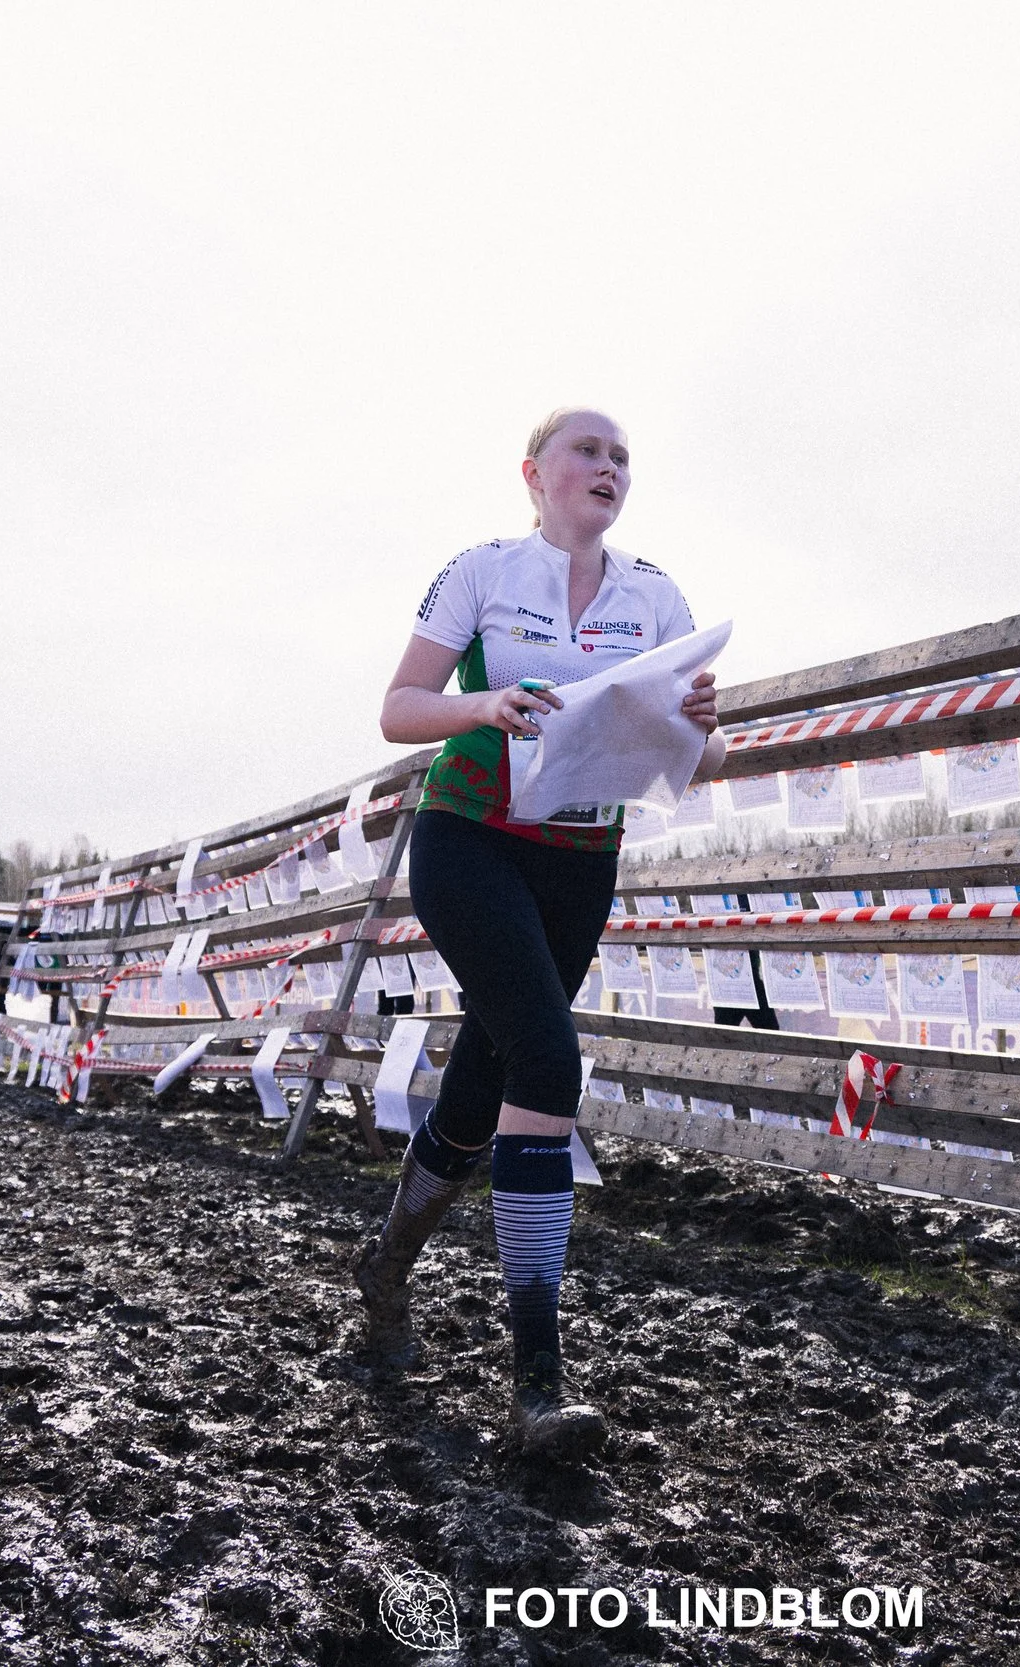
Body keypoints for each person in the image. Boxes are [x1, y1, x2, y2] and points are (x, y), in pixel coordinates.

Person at [353, 408, 725, 1460]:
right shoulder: (482, 571)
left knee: (487, 1081)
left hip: (580, 857)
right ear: (535, 474)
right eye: (588, 452)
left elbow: (699, 765)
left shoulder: (656, 595)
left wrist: (703, 720)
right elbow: (400, 708)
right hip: (470, 835)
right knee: (551, 1058)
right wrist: (486, 705)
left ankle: (384, 1264)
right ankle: (537, 1382)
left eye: (622, 458)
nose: (609, 468)